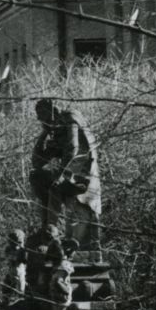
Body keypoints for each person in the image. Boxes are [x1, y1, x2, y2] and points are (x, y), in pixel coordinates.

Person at [29, 96, 101, 253]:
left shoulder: (70, 118)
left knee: (56, 186)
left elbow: (72, 148)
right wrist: (43, 133)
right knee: (37, 177)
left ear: (53, 111)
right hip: (70, 173)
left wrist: (60, 174)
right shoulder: (56, 132)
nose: (40, 119)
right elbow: (37, 162)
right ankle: (49, 229)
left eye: (42, 115)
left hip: (84, 173)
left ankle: (53, 232)